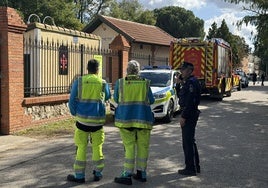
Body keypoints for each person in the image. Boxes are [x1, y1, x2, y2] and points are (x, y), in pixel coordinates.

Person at [67, 59, 111, 183]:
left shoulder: (79, 81)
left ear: (87, 68)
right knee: (97, 147)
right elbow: (107, 96)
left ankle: (79, 176)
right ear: (98, 69)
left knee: (81, 147)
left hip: (82, 121)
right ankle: (98, 173)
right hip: (97, 122)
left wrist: (74, 112)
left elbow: (71, 100)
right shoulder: (102, 83)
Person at [113, 60, 155, 185]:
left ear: (127, 70)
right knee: (143, 147)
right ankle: (142, 173)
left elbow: (116, 99)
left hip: (126, 121)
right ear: (138, 71)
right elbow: (151, 101)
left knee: (129, 147)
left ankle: (127, 174)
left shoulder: (121, 83)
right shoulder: (145, 83)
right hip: (143, 120)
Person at [177, 61, 201, 176]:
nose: (181, 71)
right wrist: (179, 83)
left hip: (189, 114)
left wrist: (183, 116)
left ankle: (190, 168)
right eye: (181, 69)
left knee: (188, 142)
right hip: (190, 113)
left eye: (183, 70)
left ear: (189, 71)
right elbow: (180, 96)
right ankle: (195, 166)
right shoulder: (188, 82)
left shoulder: (191, 83)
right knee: (190, 141)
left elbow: (190, 102)